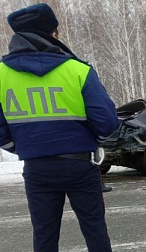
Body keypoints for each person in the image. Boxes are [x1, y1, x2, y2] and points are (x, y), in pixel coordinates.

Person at [0, 3, 118, 252]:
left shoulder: (1, 75)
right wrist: (88, 141)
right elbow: (107, 122)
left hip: (37, 168)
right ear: (52, 34)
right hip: (79, 164)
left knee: (44, 235)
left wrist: (25, 146)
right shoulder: (78, 70)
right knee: (95, 229)